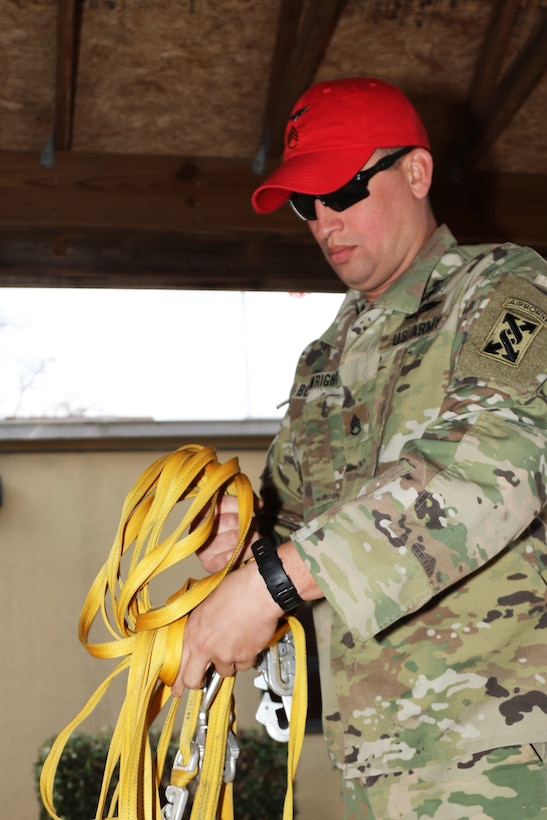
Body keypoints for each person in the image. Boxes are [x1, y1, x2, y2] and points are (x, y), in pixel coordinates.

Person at [173, 77, 547, 818]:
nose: (321, 221)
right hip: (379, 757)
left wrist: (274, 584)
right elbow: (294, 525)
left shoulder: (508, 289)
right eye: (302, 203)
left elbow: (493, 463)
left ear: (415, 172)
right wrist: (239, 535)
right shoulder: (327, 354)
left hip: (506, 754)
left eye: (340, 191)